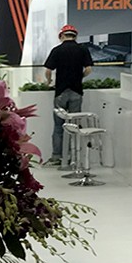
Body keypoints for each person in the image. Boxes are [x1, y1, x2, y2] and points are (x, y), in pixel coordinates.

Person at [43, 23, 94, 166]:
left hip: (60, 92)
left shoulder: (57, 50)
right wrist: (80, 77)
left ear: (61, 36)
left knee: (58, 127)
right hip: (77, 91)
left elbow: (48, 70)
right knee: (74, 126)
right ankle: (74, 158)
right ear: (75, 36)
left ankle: (56, 157)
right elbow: (88, 69)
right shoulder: (82, 49)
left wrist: (49, 81)